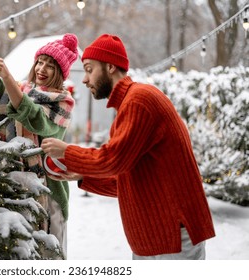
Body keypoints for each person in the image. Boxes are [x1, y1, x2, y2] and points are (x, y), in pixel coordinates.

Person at [41, 34, 216, 260]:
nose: (85, 79)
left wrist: (66, 151)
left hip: (172, 236)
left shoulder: (139, 100)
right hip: (158, 238)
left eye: (89, 69)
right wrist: (82, 176)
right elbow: (129, 179)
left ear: (110, 67)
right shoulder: (129, 104)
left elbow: (113, 160)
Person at [0, 33, 79, 259]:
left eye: (50, 65)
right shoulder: (21, 88)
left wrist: (8, 77)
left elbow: (34, 118)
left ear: (60, 73)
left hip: (47, 193)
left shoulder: (62, 102)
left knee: (45, 255)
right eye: (40, 62)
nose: (42, 68)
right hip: (10, 184)